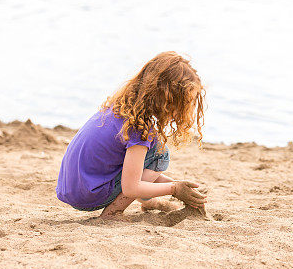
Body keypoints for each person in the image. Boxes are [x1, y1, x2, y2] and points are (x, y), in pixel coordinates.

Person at [56, 52, 207, 219]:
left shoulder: (119, 109)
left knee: (147, 157)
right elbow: (130, 188)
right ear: (167, 99)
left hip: (72, 189)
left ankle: (150, 202)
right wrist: (174, 189)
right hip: (90, 195)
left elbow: (136, 171)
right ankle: (113, 212)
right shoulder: (139, 130)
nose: (189, 108)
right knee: (160, 154)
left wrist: (180, 188)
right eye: (187, 102)